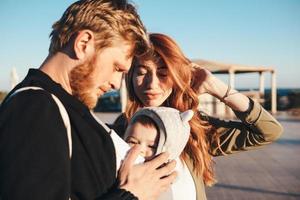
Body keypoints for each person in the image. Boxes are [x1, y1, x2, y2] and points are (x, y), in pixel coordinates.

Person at [0, 1, 177, 200]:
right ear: (83, 43)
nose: (117, 84)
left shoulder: (62, 108)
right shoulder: (35, 106)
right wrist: (131, 195)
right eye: (117, 68)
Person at [113, 33, 284, 200]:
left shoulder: (193, 128)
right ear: (130, 76)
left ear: (176, 77)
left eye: (163, 74)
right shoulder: (121, 128)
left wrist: (216, 87)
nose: (151, 84)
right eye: (142, 72)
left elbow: (268, 130)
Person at [123, 106, 194, 200]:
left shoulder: (168, 181)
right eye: (133, 142)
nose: (140, 149)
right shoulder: (116, 165)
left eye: (151, 146)